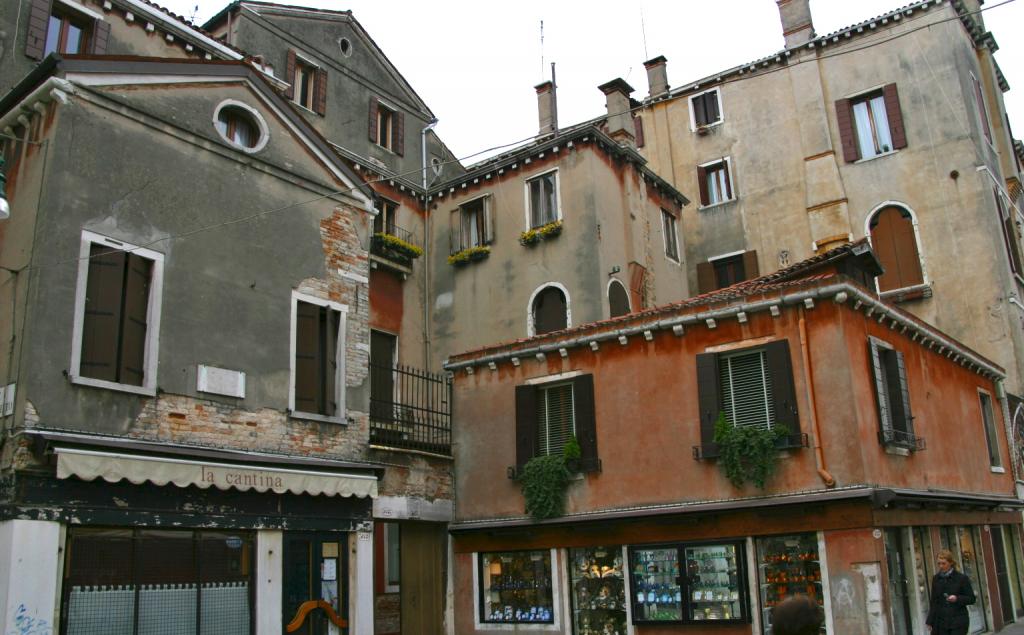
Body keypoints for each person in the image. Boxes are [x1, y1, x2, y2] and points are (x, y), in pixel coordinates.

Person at [927, 549, 976, 635]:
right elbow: (934, 601)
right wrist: (930, 621)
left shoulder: (961, 578)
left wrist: (957, 598)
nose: (941, 566)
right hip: (941, 622)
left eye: (943, 563)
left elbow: (971, 599)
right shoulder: (936, 579)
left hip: (958, 621)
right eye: (939, 563)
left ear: (950, 563)